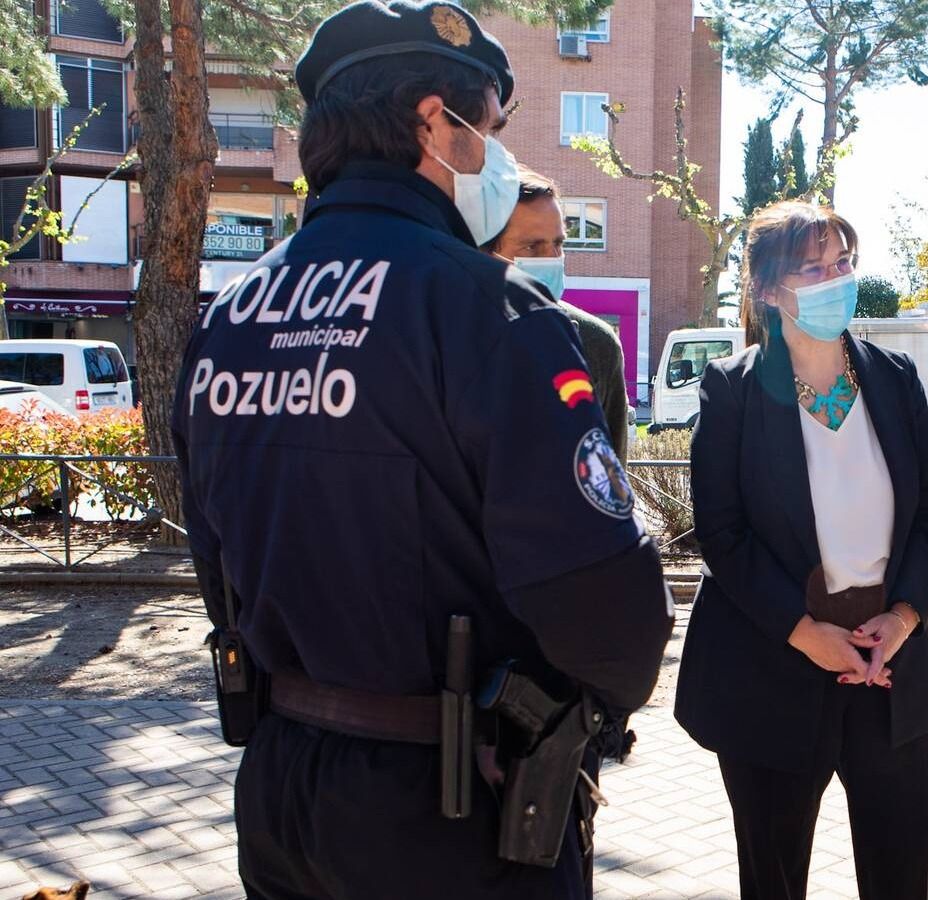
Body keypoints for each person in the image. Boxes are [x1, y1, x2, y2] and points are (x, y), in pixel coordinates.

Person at [170, 3, 673, 897]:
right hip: (453, 808)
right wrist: (583, 718)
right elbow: (606, 605)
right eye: (489, 129)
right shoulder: (492, 312)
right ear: (435, 124)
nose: (495, 156)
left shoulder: (229, 319)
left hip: (284, 793)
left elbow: (217, 567)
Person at [675, 200, 928, 900]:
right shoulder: (730, 390)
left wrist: (905, 618)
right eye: (813, 268)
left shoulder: (894, 379)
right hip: (773, 665)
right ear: (769, 290)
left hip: (890, 665)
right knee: (772, 880)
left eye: (843, 263)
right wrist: (805, 634)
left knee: (903, 875)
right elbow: (723, 534)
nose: (836, 279)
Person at [483, 167, 631, 462]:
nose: (551, 259)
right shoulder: (449, 335)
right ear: (487, 253)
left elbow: (611, 476)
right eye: (532, 247)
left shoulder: (596, 342)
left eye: (558, 244)